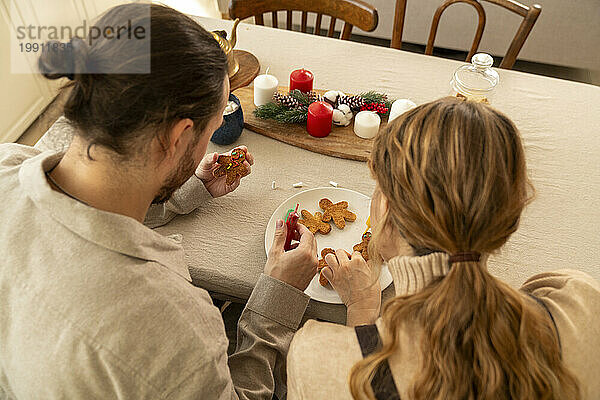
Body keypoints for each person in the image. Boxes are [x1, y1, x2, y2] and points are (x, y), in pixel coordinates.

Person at [0, 4, 318, 399]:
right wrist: (277, 295)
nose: (213, 133)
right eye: (214, 125)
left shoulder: (8, 161)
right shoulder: (173, 324)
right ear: (179, 135)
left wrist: (181, 191)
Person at [287, 97, 600, 400]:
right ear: (509, 216)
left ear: (386, 208)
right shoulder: (579, 302)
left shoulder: (316, 359)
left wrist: (361, 312)